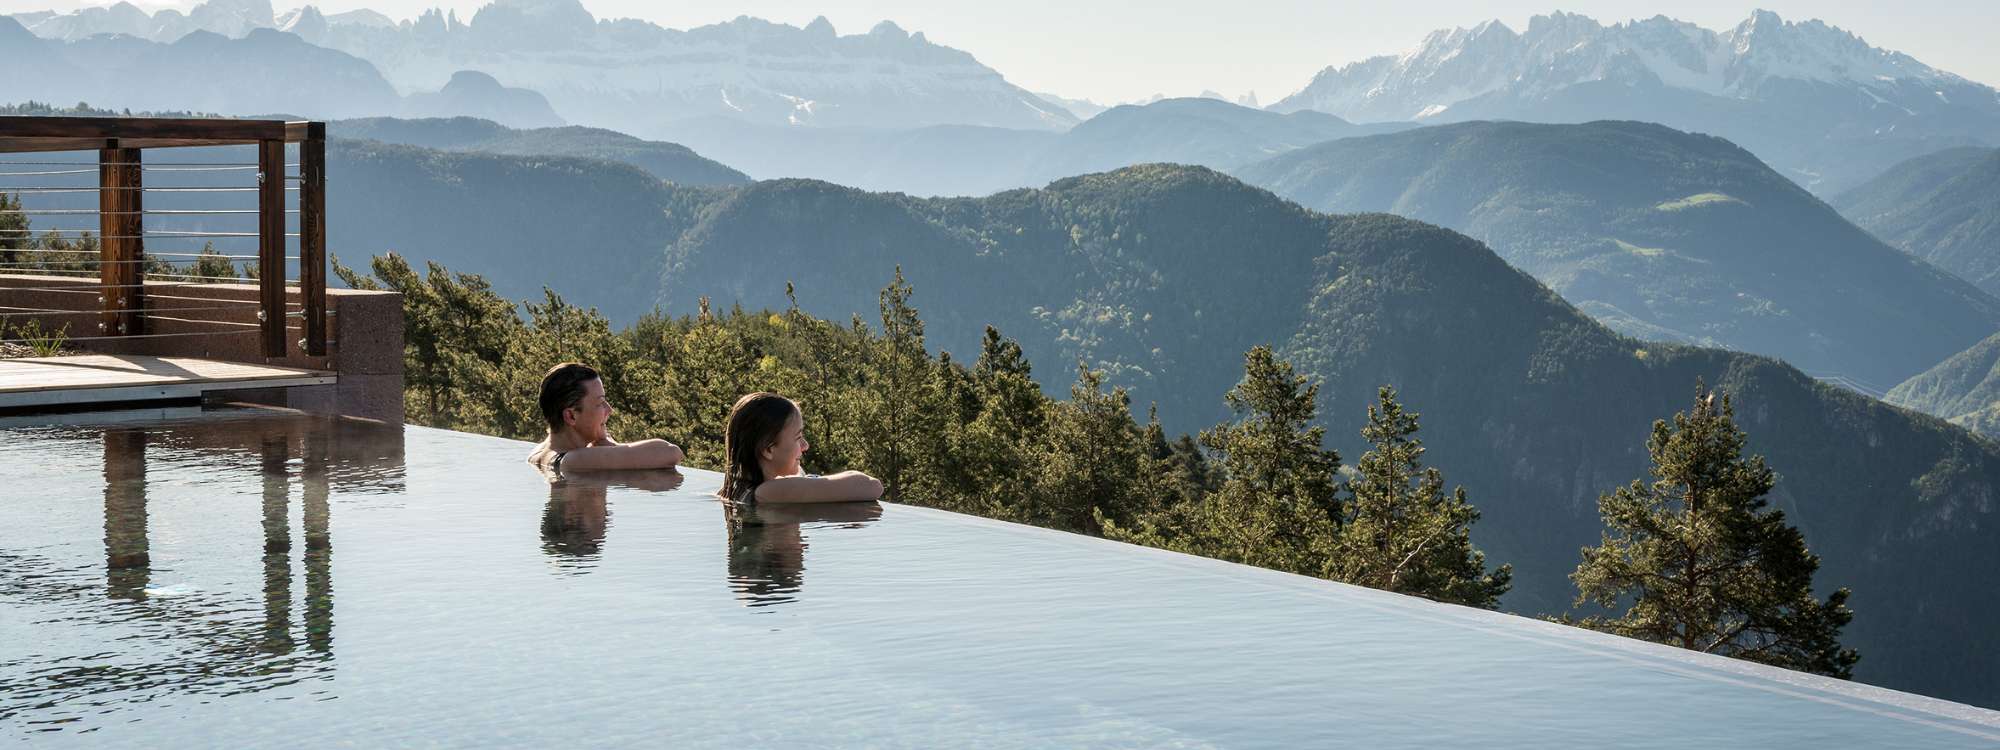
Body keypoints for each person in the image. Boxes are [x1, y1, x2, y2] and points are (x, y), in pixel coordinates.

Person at [719, 392, 882, 504]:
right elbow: (871, 486)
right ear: (768, 450)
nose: (805, 445)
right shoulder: (768, 492)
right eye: (798, 438)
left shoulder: (738, 488)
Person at [527, 362, 684, 472]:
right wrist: (610, 445)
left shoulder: (538, 453)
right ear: (571, 416)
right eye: (600, 403)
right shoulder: (573, 461)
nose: (609, 409)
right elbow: (671, 453)